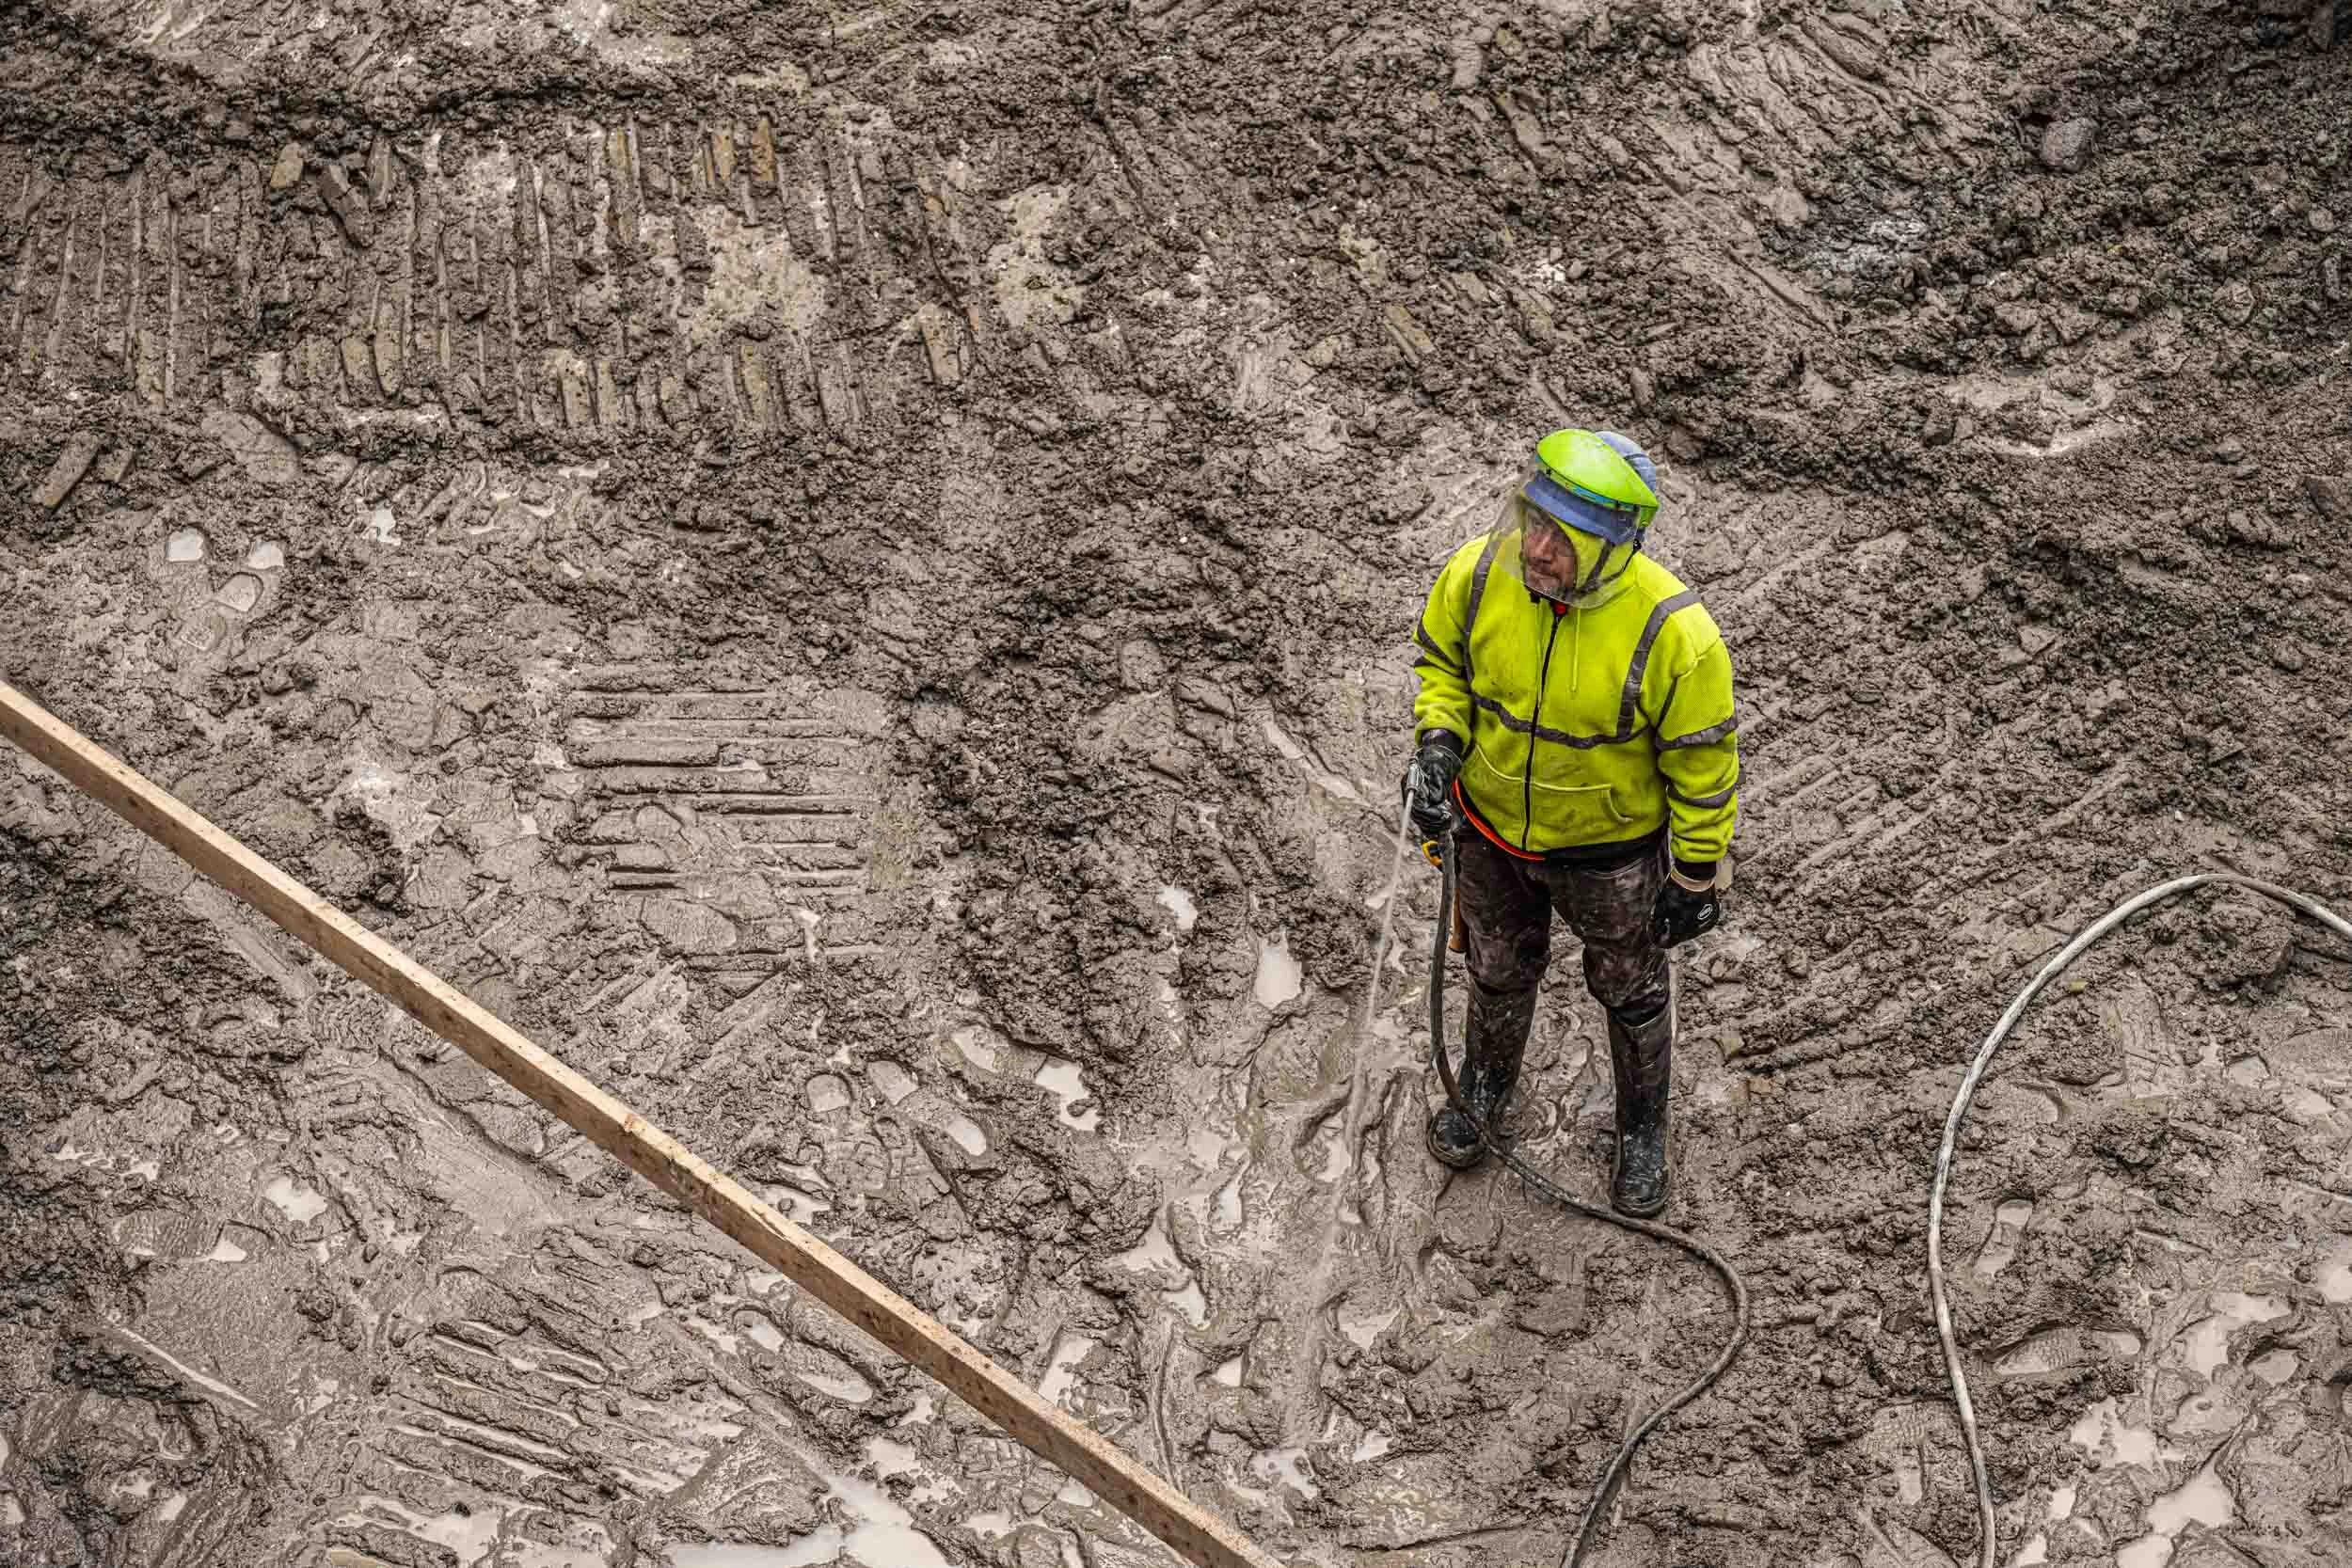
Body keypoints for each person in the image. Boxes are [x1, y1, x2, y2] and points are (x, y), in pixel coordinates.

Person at [1401, 428, 1739, 1217]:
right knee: (1496, 963)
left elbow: (1704, 769)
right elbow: (1441, 665)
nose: (1538, 548)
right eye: (1533, 520)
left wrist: (1694, 875)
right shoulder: (1480, 572)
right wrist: (1440, 741)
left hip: (1609, 855)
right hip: (1489, 831)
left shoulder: (1676, 635)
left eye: (1563, 537)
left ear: (1614, 549)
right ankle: (1485, 1085)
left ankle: (1643, 1128)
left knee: (1630, 985)